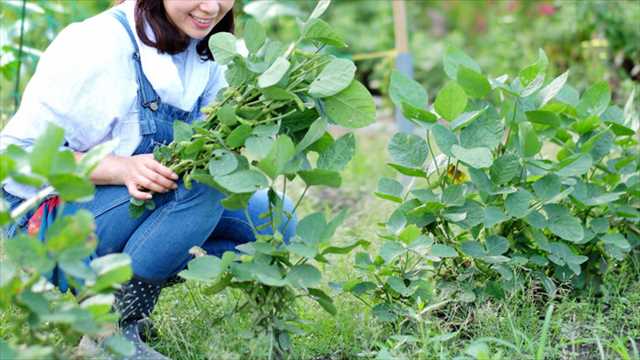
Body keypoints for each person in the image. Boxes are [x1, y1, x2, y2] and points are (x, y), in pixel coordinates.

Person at [0, 1, 297, 358]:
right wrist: (119, 167)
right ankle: (108, 336)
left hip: (134, 205)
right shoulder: (97, 44)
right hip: (45, 218)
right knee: (201, 186)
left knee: (273, 217)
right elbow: (15, 155)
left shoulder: (214, 47)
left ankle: (112, 303)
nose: (212, 6)